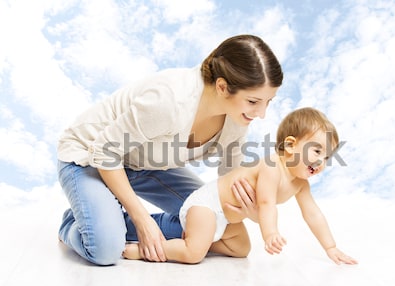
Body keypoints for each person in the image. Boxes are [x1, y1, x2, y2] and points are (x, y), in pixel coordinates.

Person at [57, 34, 283, 266]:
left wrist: (252, 212)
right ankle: (75, 224)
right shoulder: (170, 100)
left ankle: (102, 221)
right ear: (223, 87)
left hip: (146, 165)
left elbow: (229, 183)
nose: (261, 114)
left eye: (268, 102)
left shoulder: (237, 119)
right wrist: (143, 221)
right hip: (90, 158)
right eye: (253, 102)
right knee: (105, 250)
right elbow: (105, 151)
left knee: (212, 220)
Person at [122, 107, 358, 265]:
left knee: (241, 249)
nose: (320, 161)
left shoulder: (301, 184)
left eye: (327, 157)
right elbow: (265, 203)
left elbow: (313, 213)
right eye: (317, 150)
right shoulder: (272, 166)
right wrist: (270, 233)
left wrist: (331, 247)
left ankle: (199, 238)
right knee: (193, 254)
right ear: (290, 145)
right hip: (206, 207)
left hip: (226, 219)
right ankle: (145, 251)